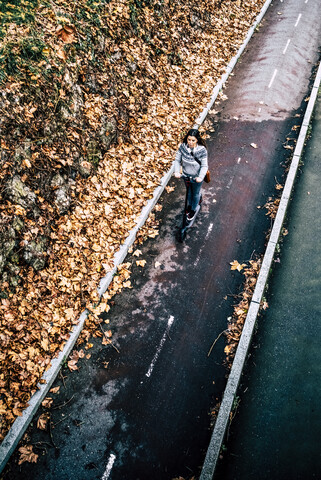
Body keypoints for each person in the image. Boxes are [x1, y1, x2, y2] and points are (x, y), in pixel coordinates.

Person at [174, 128, 208, 221]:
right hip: (186, 175)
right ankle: (190, 205)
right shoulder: (183, 147)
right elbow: (177, 160)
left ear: (197, 140)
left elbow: (204, 166)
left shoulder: (202, 150)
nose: (191, 142)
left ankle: (193, 209)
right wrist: (177, 171)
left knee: (195, 193)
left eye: (193, 140)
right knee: (189, 192)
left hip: (196, 177)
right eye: (189, 140)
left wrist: (200, 177)